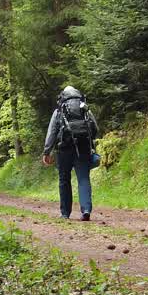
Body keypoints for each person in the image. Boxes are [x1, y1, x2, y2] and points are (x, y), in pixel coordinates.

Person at [42, 86, 99, 221]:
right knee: (83, 178)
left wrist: (47, 151)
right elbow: (95, 128)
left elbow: (52, 132)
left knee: (64, 180)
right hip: (83, 148)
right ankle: (86, 210)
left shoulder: (59, 111)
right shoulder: (84, 109)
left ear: (63, 97)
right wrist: (89, 142)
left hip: (64, 149)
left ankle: (65, 213)